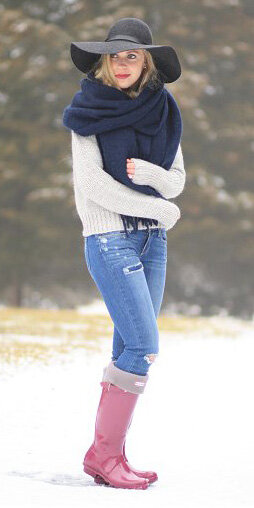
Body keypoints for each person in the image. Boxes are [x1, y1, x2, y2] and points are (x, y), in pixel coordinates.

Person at [62, 17, 186, 490]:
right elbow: (92, 187)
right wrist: (158, 208)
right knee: (143, 345)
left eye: (131, 55)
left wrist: (153, 178)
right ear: (103, 64)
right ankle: (102, 454)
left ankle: (110, 456)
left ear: (146, 62)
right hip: (110, 239)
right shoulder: (85, 113)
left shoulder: (165, 112)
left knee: (128, 350)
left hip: (154, 243)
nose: (122, 63)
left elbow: (176, 180)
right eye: (114, 56)